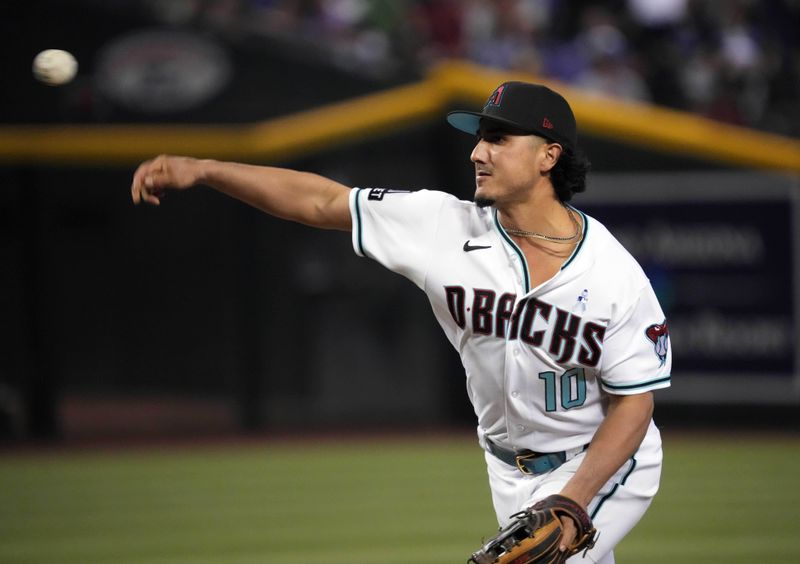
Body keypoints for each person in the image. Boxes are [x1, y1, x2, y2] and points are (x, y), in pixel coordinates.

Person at [131, 81, 671, 563]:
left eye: (499, 139)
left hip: (601, 462)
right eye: (479, 137)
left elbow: (635, 403)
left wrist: (572, 501)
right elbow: (320, 202)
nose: (478, 152)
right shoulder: (440, 225)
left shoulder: (613, 274)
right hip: (505, 467)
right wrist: (204, 169)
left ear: (548, 156)